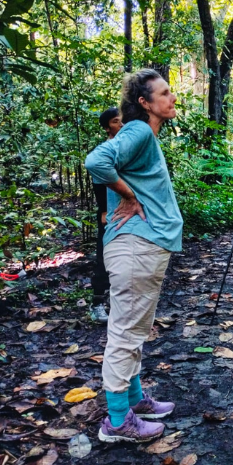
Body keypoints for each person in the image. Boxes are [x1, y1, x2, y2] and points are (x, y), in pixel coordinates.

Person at [85, 69, 184, 444]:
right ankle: (116, 421)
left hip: (143, 246)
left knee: (134, 328)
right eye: (164, 93)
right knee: (125, 332)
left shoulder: (145, 136)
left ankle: (134, 399)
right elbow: (97, 162)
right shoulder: (139, 130)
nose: (172, 97)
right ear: (144, 103)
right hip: (135, 246)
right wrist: (127, 195)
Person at [89, 107, 123, 323]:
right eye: (115, 121)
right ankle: (97, 304)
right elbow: (98, 181)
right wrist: (103, 210)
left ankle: (122, 305)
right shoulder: (103, 150)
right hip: (109, 211)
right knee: (104, 257)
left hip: (132, 210)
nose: (120, 125)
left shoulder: (129, 148)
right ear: (106, 127)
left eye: (122, 121)